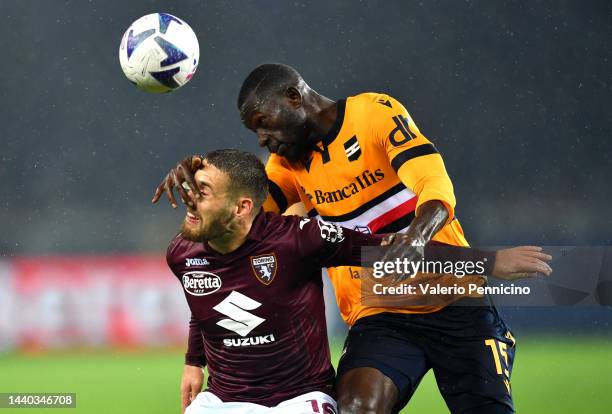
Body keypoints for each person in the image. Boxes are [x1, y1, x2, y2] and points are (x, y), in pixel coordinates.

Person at [155, 64, 553, 414]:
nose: (262, 138)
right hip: (380, 313)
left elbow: (435, 184)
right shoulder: (285, 166)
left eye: (263, 122)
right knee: (358, 406)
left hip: (455, 296)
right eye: (254, 130)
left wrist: (416, 237)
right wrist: (199, 182)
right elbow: (234, 227)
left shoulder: (374, 114)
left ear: (294, 97)